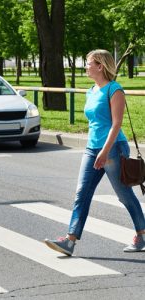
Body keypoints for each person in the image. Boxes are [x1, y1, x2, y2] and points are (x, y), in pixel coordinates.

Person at [44, 49, 145, 256]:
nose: (85, 66)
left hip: (113, 148)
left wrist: (105, 151)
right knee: (82, 193)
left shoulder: (114, 90)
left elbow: (116, 124)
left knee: (124, 195)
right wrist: (96, 150)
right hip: (92, 148)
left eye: (89, 63)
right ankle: (69, 241)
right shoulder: (91, 90)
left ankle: (142, 235)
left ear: (100, 66)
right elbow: (94, 122)